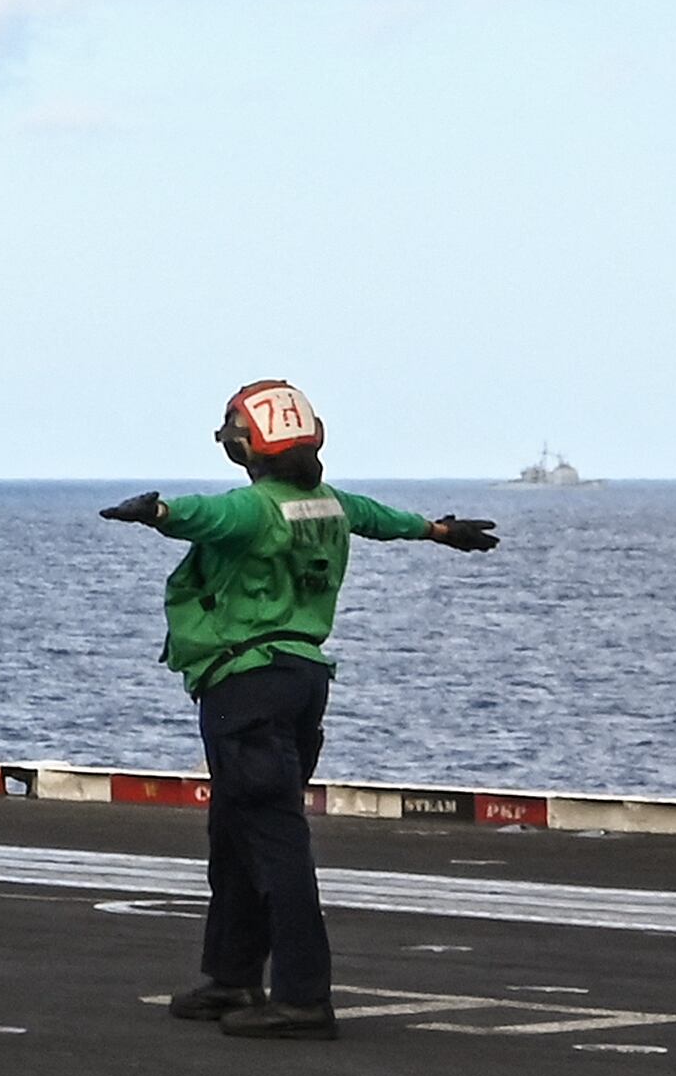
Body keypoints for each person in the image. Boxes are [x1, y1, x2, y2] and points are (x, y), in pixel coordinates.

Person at [98, 380, 498, 1040]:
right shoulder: (329, 504)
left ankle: (303, 997)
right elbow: (379, 518)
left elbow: (205, 516)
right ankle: (232, 977)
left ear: (244, 448)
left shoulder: (255, 509)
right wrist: (440, 530)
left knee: (274, 840)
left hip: (246, 685)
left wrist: (157, 511)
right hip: (300, 679)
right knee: (235, 836)